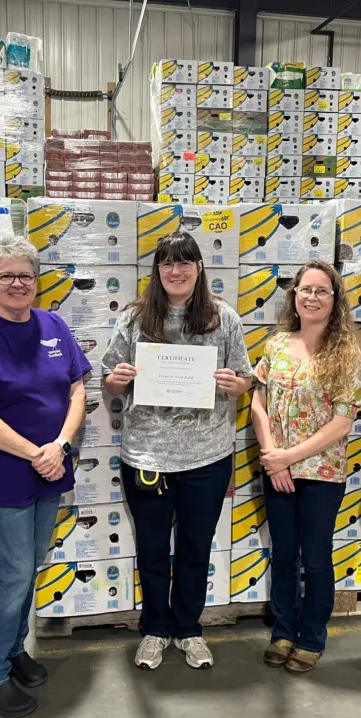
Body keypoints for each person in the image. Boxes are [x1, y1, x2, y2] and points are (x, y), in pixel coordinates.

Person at [0, 236, 90, 718]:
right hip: (5, 475)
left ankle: (12, 651)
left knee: (34, 564)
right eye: (7, 275)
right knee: (15, 574)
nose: (18, 283)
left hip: (52, 467)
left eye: (26, 275)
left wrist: (60, 448)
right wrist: (37, 454)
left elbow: (77, 392)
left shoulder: (54, 326)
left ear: (37, 280)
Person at [102, 231, 252, 671]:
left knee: (194, 547)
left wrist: (234, 384)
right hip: (146, 455)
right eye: (167, 263)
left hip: (206, 457)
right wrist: (121, 378)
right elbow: (109, 377)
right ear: (157, 270)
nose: (176, 270)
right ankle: (154, 629)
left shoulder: (224, 319)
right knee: (151, 548)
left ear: (199, 268)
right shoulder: (134, 319)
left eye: (185, 262)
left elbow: (244, 379)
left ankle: (188, 629)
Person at [251, 261, 361, 675]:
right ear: (294, 295)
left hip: (322, 473)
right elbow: (258, 403)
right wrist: (272, 456)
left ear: (334, 301)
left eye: (322, 291)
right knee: (284, 554)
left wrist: (290, 456)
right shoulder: (277, 345)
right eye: (306, 289)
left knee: (316, 558)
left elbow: (342, 423)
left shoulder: (347, 354)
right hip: (277, 469)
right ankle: (283, 630)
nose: (312, 297)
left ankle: (311, 636)